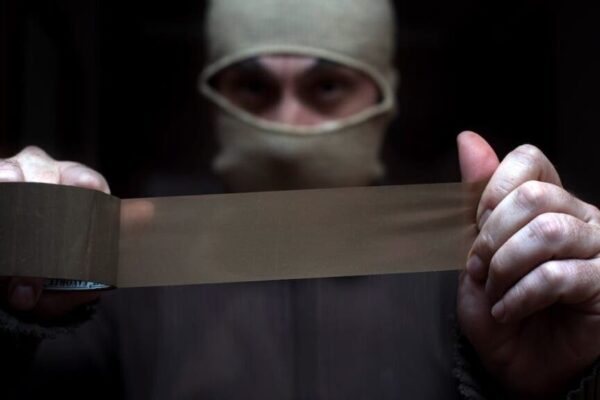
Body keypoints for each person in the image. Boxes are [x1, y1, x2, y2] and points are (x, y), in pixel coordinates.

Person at [2, 0, 600, 398]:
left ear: (382, 96)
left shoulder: (470, 261)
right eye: (253, 87)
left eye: (328, 85)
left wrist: (555, 382)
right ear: (214, 97)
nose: (288, 123)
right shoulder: (129, 256)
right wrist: (13, 310)